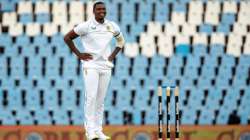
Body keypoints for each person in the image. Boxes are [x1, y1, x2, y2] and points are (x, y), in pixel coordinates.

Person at [64, 1, 125, 140]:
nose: (101, 11)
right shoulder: (86, 26)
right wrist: (79, 54)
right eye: (98, 9)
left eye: (103, 9)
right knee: (91, 98)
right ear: (93, 11)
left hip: (106, 66)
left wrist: (112, 56)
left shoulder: (112, 25)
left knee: (100, 100)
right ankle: (90, 132)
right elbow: (67, 38)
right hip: (91, 65)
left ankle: (98, 131)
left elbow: (121, 42)